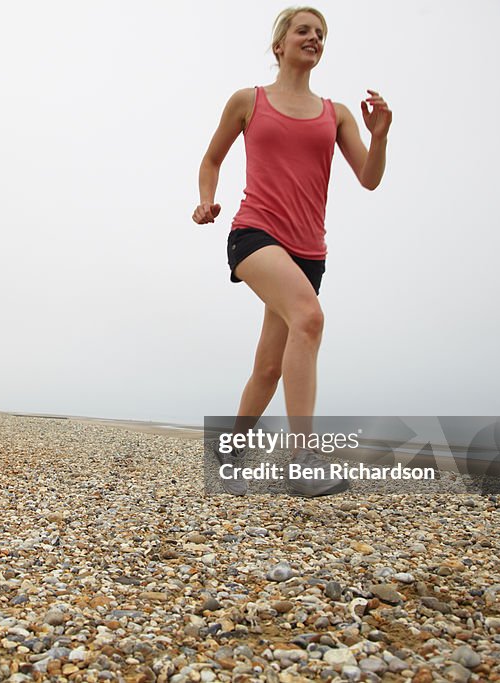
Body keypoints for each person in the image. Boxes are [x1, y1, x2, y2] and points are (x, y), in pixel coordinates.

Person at [193, 6, 391, 496]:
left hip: (309, 252)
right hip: (254, 234)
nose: (314, 38)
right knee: (310, 317)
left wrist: (380, 136)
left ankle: (231, 444)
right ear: (279, 44)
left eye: (321, 33)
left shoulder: (336, 114)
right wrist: (205, 201)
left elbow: (369, 178)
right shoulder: (248, 100)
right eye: (303, 30)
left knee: (269, 364)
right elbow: (212, 158)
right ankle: (303, 459)